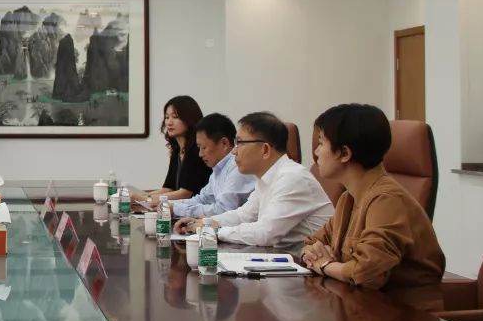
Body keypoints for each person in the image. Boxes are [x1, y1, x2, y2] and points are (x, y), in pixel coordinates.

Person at [300, 104, 445, 311]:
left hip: (406, 318)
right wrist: (313, 254)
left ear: (344, 153)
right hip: (363, 310)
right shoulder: (348, 199)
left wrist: (324, 265)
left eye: (321, 143)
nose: (315, 153)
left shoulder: (387, 200)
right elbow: (311, 242)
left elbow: (365, 272)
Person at [175, 111, 333, 247]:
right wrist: (206, 223)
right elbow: (244, 215)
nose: (234, 152)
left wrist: (214, 231)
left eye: (239, 143)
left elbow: (265, 233)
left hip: (307, 266)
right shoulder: (266, 178)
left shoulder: (292, 178)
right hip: (285, 259)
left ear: (265, 149)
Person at [170, 113, 256, 219]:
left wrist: (176, 208)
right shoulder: (218, 169)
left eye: (203, 148)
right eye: (199, 148)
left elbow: (223, 210)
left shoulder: (237, 167)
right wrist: (170, 205)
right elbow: (203, 199)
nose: (200, 154)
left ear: (224, 143)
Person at [134, 95, 211, 207]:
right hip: (179, 208)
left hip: (195, 209)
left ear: (189, 119)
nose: (169, 122)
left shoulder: (196, 150)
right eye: (167, 117)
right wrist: (143, 196)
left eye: (175, 117)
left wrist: (145, 198)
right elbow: (168, 188)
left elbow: (185, 193)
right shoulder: (177, 150)